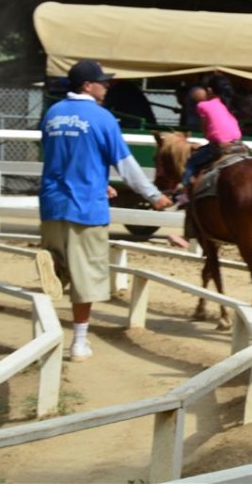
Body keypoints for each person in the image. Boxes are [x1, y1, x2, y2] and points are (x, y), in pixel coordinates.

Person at [37, 59, 172, 362]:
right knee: (87, 278)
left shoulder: (52, 114)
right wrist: (154, 196)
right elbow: (126, 166)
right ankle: (79, 343)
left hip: (51, 203)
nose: (107, 86)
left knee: (58, 270)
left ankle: (50, 301)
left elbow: (61, 157)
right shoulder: (103, 118)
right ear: (87, 85)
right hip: (86, 208)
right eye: (102, 81)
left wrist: (99, 181)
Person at [180, 74, 245, 188]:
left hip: (219, 146)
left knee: (192, 162)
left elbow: (206, 132)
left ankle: (183, 190)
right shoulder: (228, 105)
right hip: (238, 144)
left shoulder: (203, 105)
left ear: (209, 90)